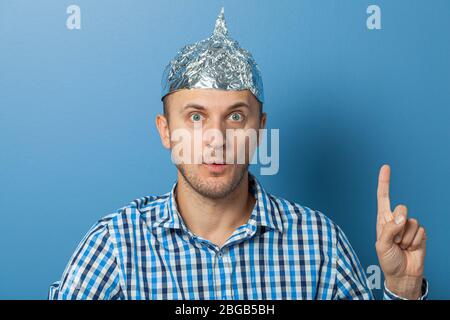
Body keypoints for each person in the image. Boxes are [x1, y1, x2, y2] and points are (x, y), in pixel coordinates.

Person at [49, 7, 427, 300]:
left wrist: (402, 288)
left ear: (259, 129)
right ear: (166, 131)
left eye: (235, 116)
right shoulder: (116, 245)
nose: (216, 138)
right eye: (196, 117)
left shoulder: (320, 243)